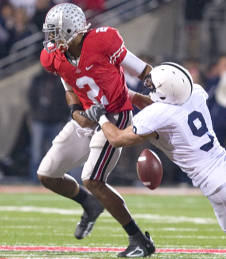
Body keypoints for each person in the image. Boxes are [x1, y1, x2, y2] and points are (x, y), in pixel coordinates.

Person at [39, 3, 155, 257]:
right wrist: (75, 113)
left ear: (72, 30)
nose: (51, 38)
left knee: (93, 179)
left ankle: (139, 241)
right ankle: (88, 204)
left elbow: (142, 70)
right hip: (89, 117)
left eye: (55, 32)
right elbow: (70, 85)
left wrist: (156, 93)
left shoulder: (103, 41)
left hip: (114, 115)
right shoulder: (55, 56)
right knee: (47, 174)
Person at [88, 62, 226, 234]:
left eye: (154, 86)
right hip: (219, 171)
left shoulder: (160, 114)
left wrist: (100, 117)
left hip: (213, 183)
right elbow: (157, 106)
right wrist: (123, 92)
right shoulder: (195, 93)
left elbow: (117, 138)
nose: (150, 88)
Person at [27, 67, 69, 183]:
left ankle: (54, 179)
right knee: (36, 152)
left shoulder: (61, 80)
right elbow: (31, 98)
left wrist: (63, 116)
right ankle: (34, 180)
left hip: (56, 120)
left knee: (56, 151)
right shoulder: (37, 79)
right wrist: (34, 114)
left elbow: (65, 99)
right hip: (40, 120)